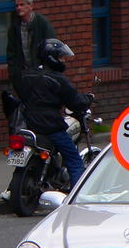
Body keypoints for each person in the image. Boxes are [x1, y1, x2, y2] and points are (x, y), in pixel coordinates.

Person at [21, 38, 90, 186]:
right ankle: (78, 197)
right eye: (60, 57)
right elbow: (75, 101)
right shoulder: (58, 79)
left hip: (28, 122)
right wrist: (87, 99)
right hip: (50, 125)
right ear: (51, 58)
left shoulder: (27, 75)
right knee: (74, 160)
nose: (63, 60)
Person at [6, 0, 56, 100]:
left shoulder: (42, 24)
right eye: (17, 5)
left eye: (22, 5)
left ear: (31, 6)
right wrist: (14, 74)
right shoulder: (14, 27)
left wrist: (46, 71)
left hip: (41, 75)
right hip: (24, 76)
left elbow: (52, 49)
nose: (19, 8)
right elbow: (11, 53)